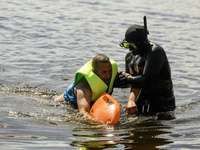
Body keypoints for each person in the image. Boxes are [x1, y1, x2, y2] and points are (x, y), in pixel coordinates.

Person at [119, 16, 176, 116]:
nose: (129, 49)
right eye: (126, 45)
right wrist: (131, 101)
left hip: (162, 105)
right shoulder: (129, 57)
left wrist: (126, 77)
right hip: (140, 103)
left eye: (132, 45)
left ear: (143, 42)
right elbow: (133, 83)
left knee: (161, 129)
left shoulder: (155, 53)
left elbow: (145, 80)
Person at [55, 54, 119, 121]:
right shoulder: (84, 88)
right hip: (64, 105)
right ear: (94, 72)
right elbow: (83, 112)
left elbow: (121, 73)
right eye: (104, 72)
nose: (108, 75)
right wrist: (101, 125)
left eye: (110, 71)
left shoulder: (111, 71)